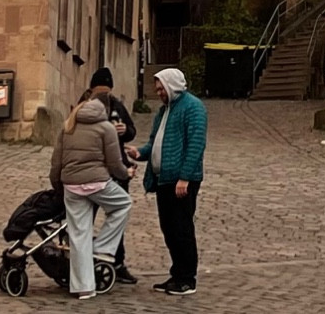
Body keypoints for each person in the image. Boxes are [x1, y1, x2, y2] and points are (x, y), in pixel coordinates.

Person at [50, 93, 133, 301]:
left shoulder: (68, 126)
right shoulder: (106, 128)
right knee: (123, 204)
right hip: (97, 182)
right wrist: (127, 173)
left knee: (78, 234)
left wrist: (58, 186)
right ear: (103, 110)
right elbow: (114, 164)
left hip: (71, 184)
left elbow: (56, 163)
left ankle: (84, 288)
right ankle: (103, 249)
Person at [133, 67, 207, 297]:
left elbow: (195, 145)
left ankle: (187, 278)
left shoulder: (193, 108)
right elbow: (155, 143)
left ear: (172, 85)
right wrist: (138, 153)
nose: (158, 92)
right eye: (157, 88)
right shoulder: (164, 111)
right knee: (169, 229)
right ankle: (177, 273)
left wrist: (184, 177)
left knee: (182, 228)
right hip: (164, 179)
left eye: (161, 87)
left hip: (181, 181)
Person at [84, 69, 139, 285]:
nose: (104, 95)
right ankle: (84, 259)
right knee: (84, 218)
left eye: (107, 91)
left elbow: (132, 131)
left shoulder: (116, 105)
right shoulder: (84, 105)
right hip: (93, 169)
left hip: (116, 170)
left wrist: (125, 131)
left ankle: (116, 261)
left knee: (117, 216)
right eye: (101, 91)